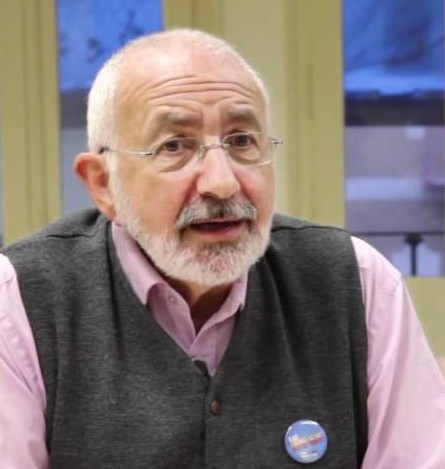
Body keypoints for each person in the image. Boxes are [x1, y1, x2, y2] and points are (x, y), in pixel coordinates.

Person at [1, 28, 445, 469]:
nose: (222, 183)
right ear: (103, 184)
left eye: (241, 141)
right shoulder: (21, 301)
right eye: (174, 146)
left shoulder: (356, 282)